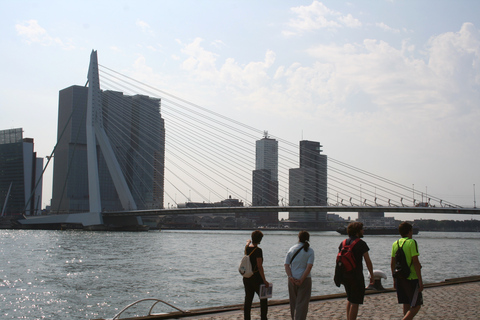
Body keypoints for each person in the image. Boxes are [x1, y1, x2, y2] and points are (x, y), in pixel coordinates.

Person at [338, 222, 374, 320]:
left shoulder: (343, 243)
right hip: (356, 276)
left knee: (350, 299)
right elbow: (368, 261)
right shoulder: (361, 243)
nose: (363, 231)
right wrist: (372, 275)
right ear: (357, 231)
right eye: (362, 229)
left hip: (345, 276)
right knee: (355, 302)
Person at [391, 222, 423, 320]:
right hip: (411, 277)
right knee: (417, 305)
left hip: (400, 277)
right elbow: (415, 262)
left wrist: (394, 279)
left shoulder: (395, 243)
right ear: (410, 231)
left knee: (406, 303)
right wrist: (420, 281)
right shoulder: (411, 242)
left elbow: (392, 263)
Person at [284, 230, 314, 320]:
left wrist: (290, 277)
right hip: (305, 279)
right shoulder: (310, 251)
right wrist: (301, 279)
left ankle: (294, 318)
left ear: (298, 238)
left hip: (292, 278)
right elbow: (309, 267)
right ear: (308, 239)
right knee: (302, 303)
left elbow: (286, 265)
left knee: (293, 302)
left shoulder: (292, 249)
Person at [243, 230, 269, 320]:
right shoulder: (258, 250)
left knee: (248, 299)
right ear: (260, 239)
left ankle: (246, 318)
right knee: (263, 298)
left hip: (246, 277)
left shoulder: (247, 248)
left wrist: (248, 242)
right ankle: (263, 318)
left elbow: (247, 244)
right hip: (256, 277)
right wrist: (264, 280)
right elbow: (259, 266)